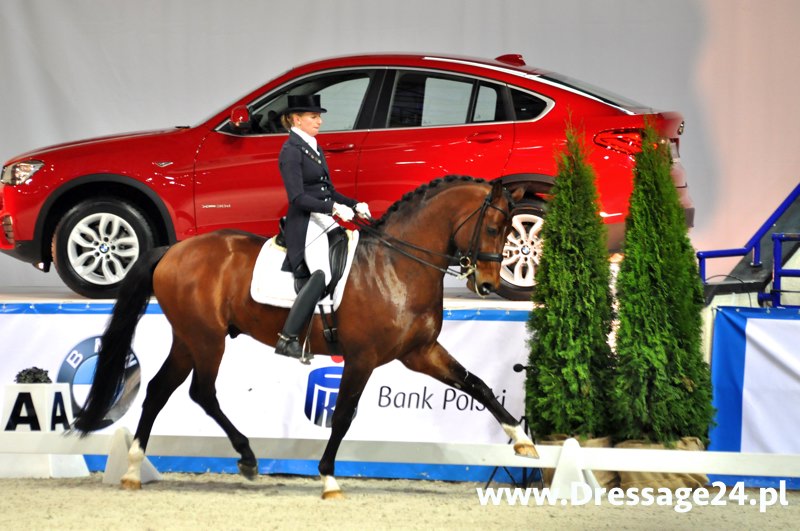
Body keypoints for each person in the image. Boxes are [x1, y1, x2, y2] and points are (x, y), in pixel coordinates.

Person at [274, 94, 371, 358]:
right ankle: (288, 338)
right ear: (297, 119)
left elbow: (328, 191)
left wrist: (354, 204)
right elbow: (297, 197)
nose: (320, 121)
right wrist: (333, 209)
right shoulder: (291, 151)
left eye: (319, 116)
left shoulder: (313, 145)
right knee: (322, 273)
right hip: (305, 221)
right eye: (313, 117)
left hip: (323, 217)